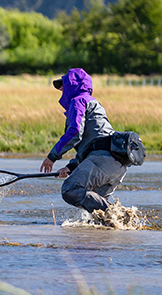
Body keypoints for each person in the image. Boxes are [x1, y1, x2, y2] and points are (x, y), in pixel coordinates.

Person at [39, 68, 127, 222]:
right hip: (117, 165)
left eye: (63, 84)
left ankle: (118, 214)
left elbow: (74, 132)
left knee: (70, 189)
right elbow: (93, 144)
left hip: (102, 161)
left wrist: (52, 157)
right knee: (96, 217)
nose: (60, 89)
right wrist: (71, 167)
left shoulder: (78, 101)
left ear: (73, 85)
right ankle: (122, 220)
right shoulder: (93, 103)